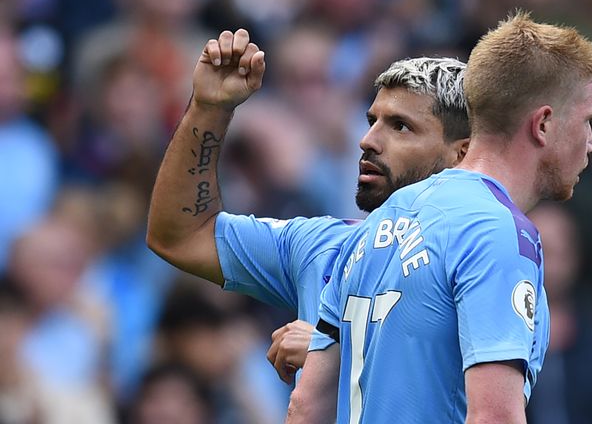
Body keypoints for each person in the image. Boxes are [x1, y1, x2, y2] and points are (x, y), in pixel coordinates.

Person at [287, 12, 592, 423]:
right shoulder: (498, 234)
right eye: (587, 121)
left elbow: (306, 407)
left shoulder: (379, 222)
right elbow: (494, 418)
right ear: (543, 124)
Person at [146, 29, 470, 382]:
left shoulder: (485, 255)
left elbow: (482, 390)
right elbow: (182, 234)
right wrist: (209, 108)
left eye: (401, 127)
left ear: (461, 153)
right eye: (371, 122)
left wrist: (334, 350)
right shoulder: (322, 247)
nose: (368, 140)